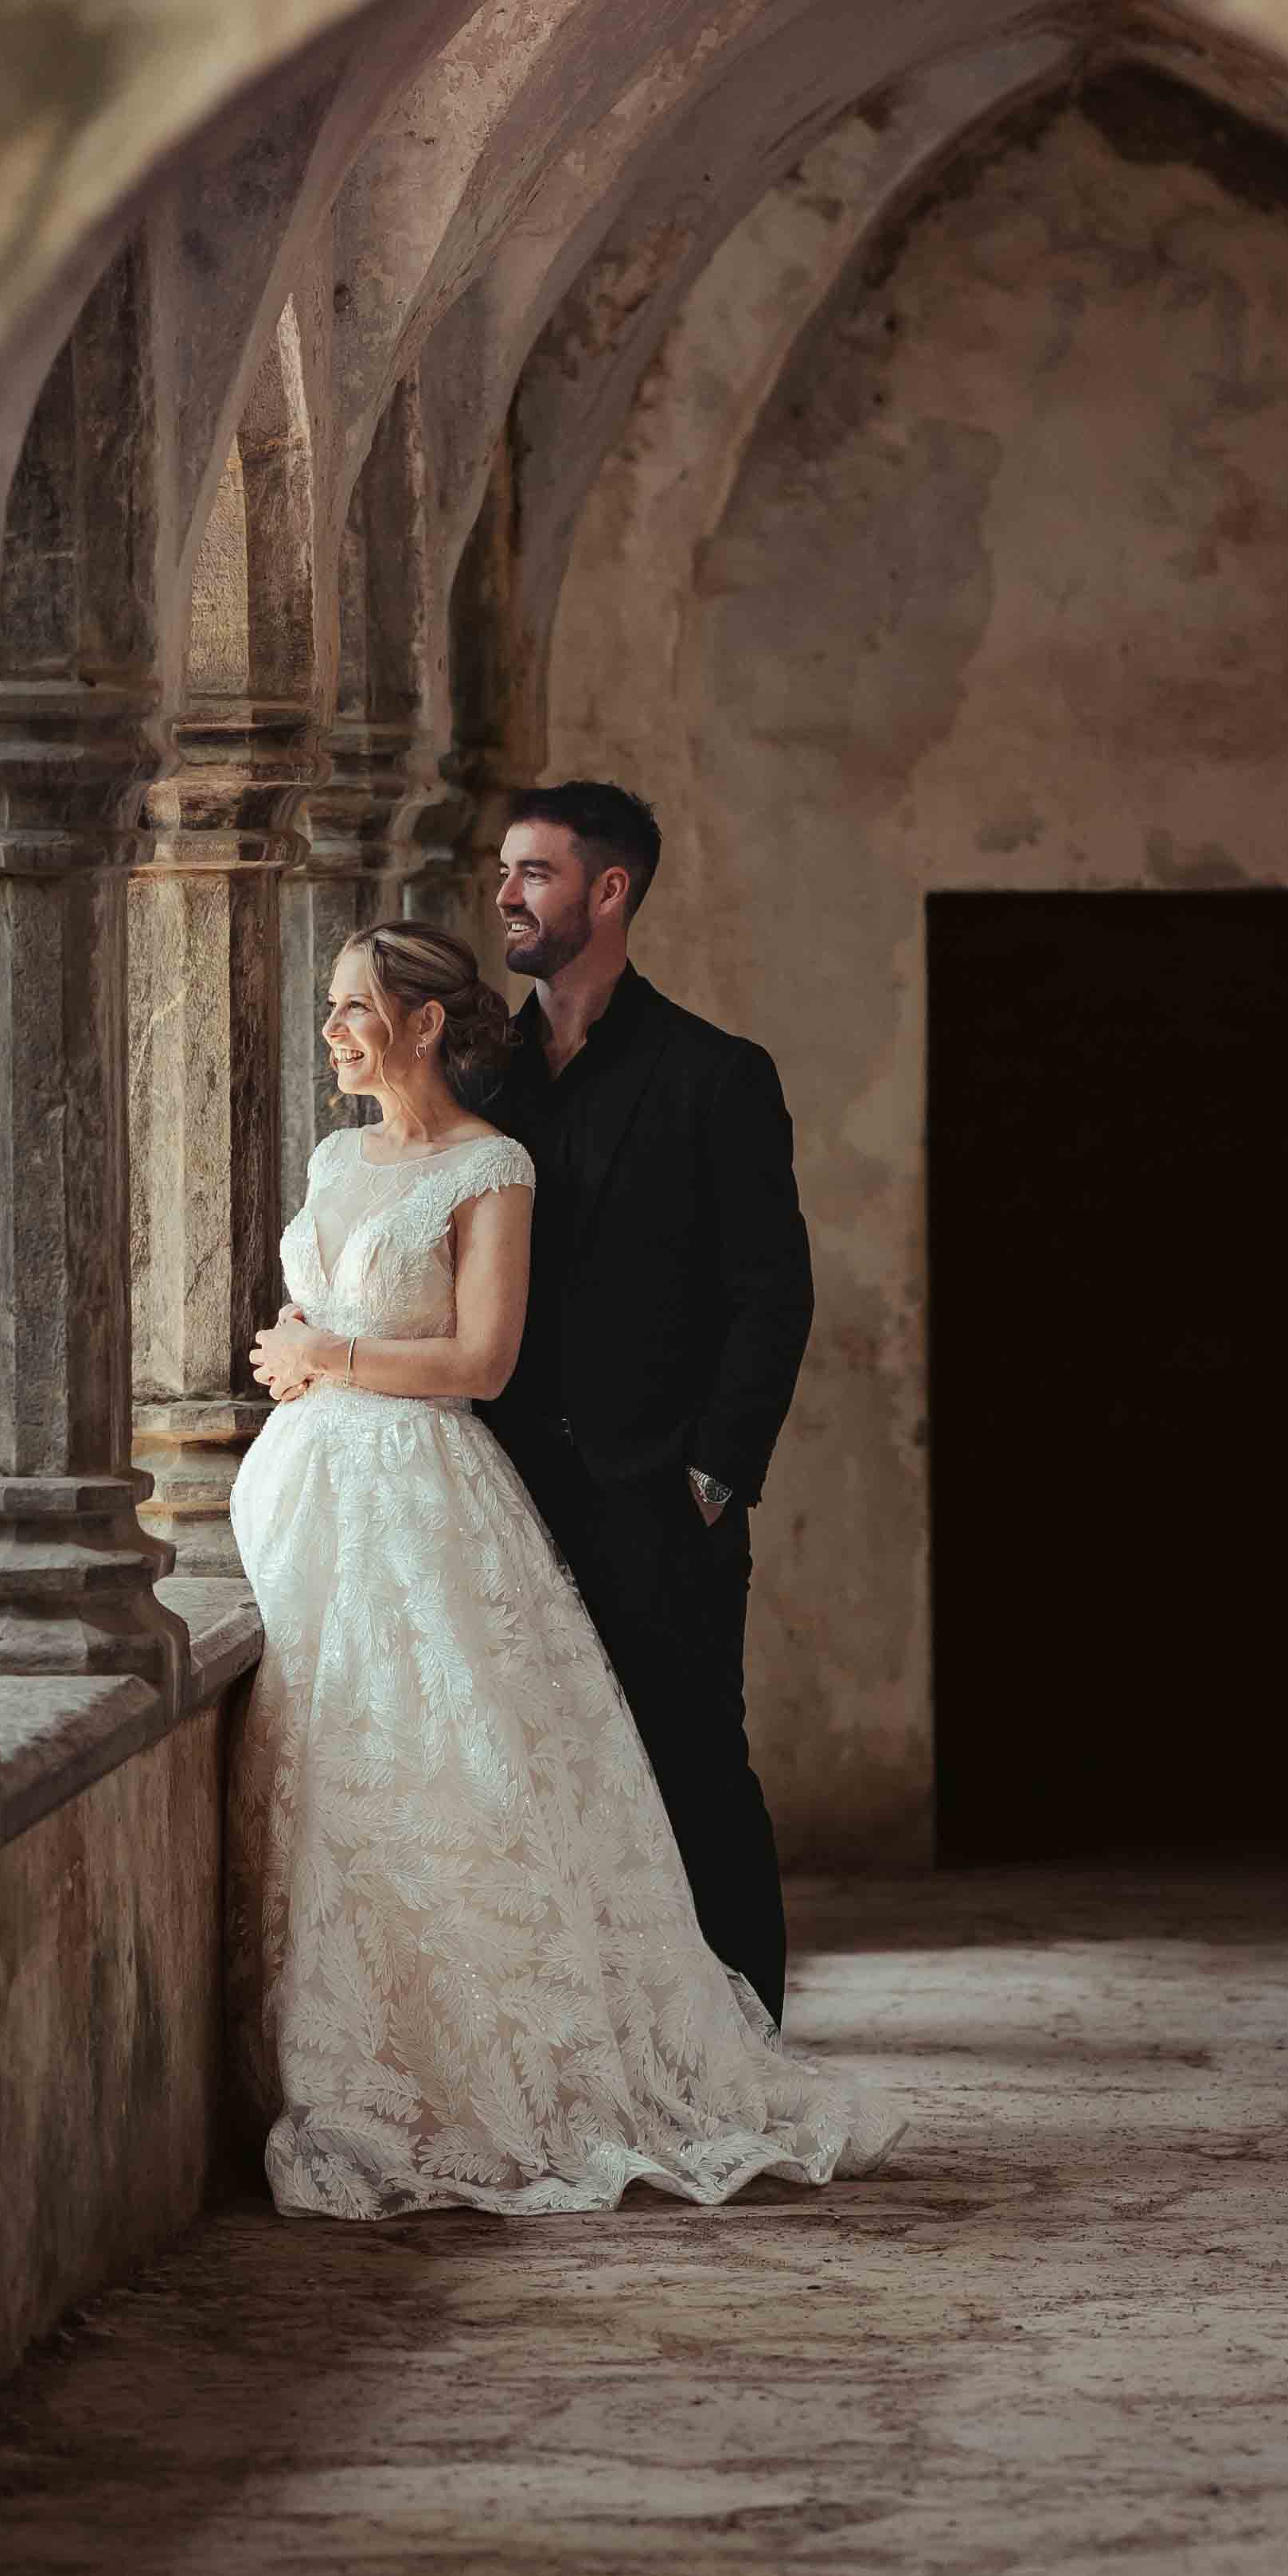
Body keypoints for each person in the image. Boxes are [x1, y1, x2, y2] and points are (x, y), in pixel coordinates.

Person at [228, 918, 896, 2222]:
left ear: (424, 1024)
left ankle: (495, 2065)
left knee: (460, 1772)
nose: (333, 1032)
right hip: (306, 1501)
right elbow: (325, 1312)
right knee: (342, 1778)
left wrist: (328, 1363)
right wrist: (296, 1352)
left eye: (354, 1007)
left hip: (424, 1502)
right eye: (331, 1008)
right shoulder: (329, 1156)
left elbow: (483, 1363)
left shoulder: (495, 1168)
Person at [485, 781, 811, 2022]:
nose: (509, 896)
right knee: (545, 1783)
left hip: (659, 1498)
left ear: (609, 891)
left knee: (693, 1772)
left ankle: (751, 2048)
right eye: (506, 872)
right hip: (503, 1500)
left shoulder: (715, 1076)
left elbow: (770, 1294)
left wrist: (713, 1473)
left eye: (536, 873)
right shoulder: (474, 1071)